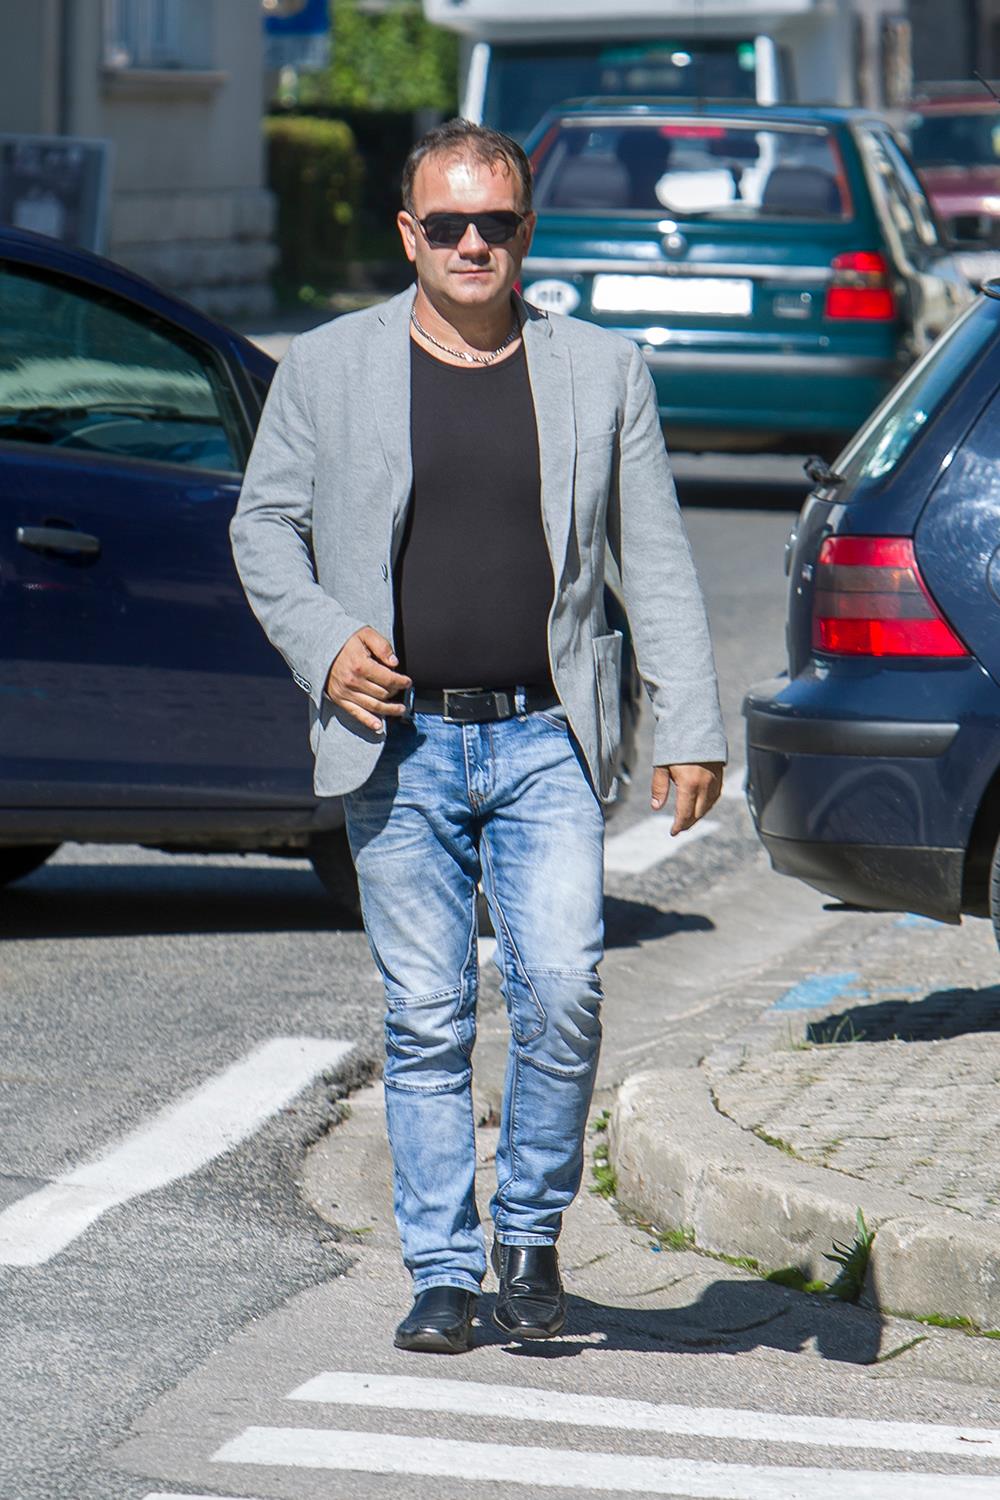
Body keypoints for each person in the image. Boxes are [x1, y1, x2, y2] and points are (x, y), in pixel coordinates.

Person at [230, 119, 726, 1355]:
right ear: (408, 233)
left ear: (524, 233)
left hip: (546, 738)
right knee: (427, 1016)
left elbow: (655, 557)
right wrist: (323, 641)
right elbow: (263, 527)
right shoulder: (328, 366)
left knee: (561, 989)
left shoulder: (600, 371)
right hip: (397, 741)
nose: (469, 244)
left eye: (492, 224)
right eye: (444, 223)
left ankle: (530, 1232)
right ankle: (444, 1273)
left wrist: (691, 723)